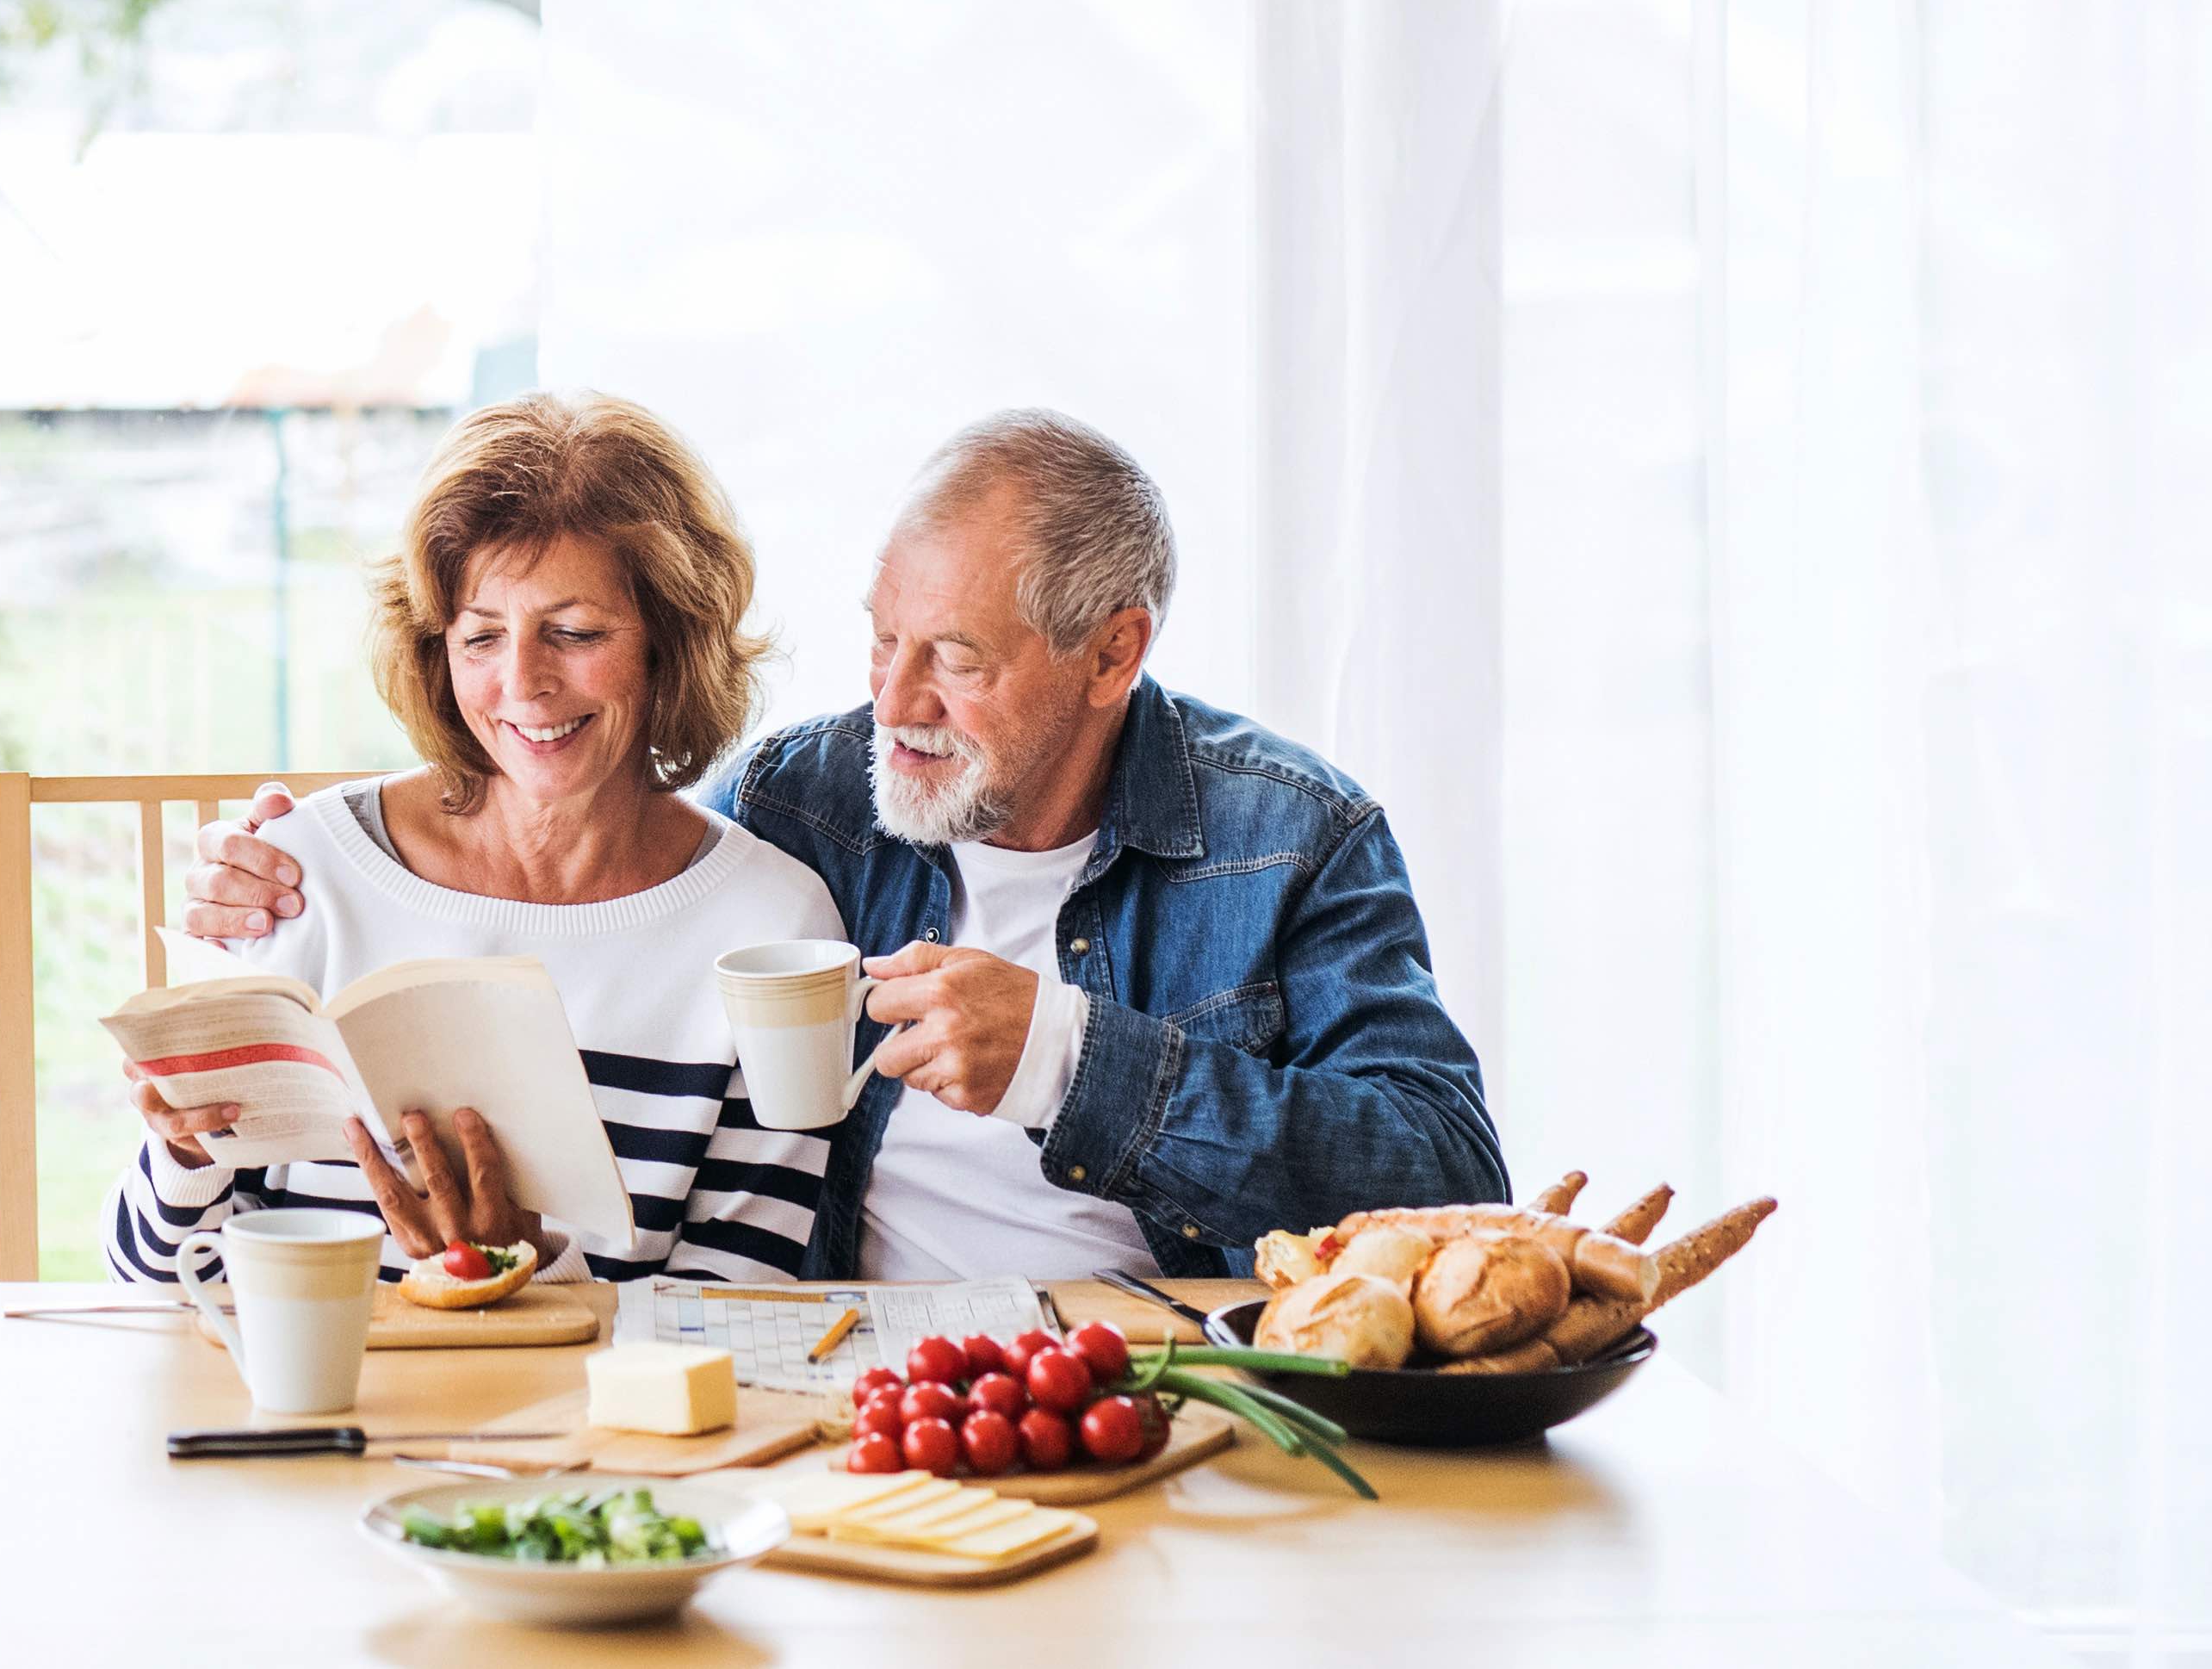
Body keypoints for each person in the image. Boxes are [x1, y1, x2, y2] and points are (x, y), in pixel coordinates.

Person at [180, 408, 1507, 1281]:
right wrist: (298, 864)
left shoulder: (1289, 837)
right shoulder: (810, 799)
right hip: (838, 1374)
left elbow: (1451, 1183)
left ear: (1112, 651)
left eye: (954, 659)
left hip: (1168, 1376)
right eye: (881, 637)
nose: (893, 702)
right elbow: (578, 880)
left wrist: (1066, 1057)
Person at [104, 393, 855, 1288]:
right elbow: (146, 1276)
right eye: (481, 636)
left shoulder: (769, 927)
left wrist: (528, 1273)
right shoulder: (297, 874)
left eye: (574, 633)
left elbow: (741, 1306)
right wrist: (184, 1157)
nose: (522, 684)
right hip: (320, 1409)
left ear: (671, 640)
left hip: (592, 1424)